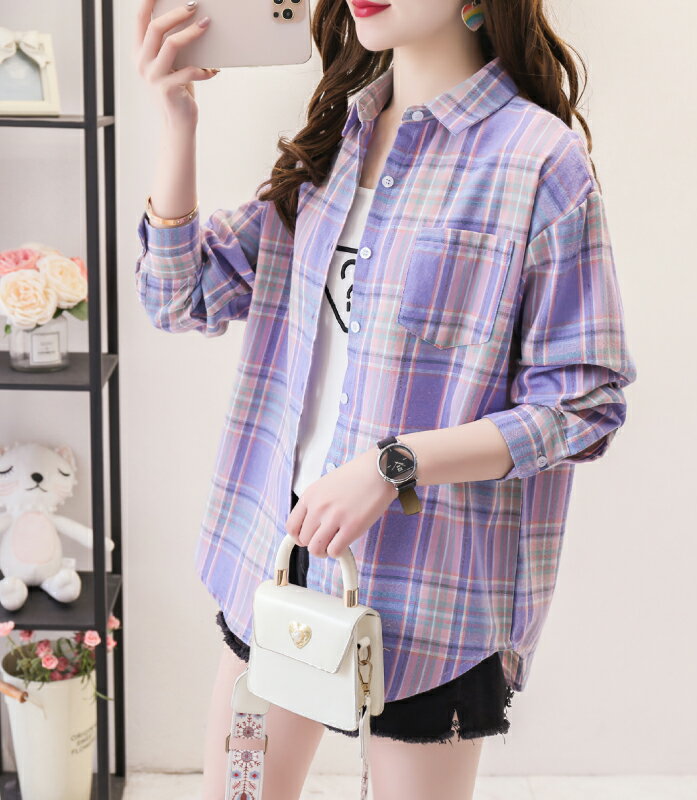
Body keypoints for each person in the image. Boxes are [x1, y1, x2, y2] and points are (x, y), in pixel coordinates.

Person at [133, 0, 638, 797]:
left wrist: (392, 466)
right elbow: (179, 295)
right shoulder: (336, 142)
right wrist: (177, 119)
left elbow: (582, 405)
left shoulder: (538, 161)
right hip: (279, 561)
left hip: (431, 591)